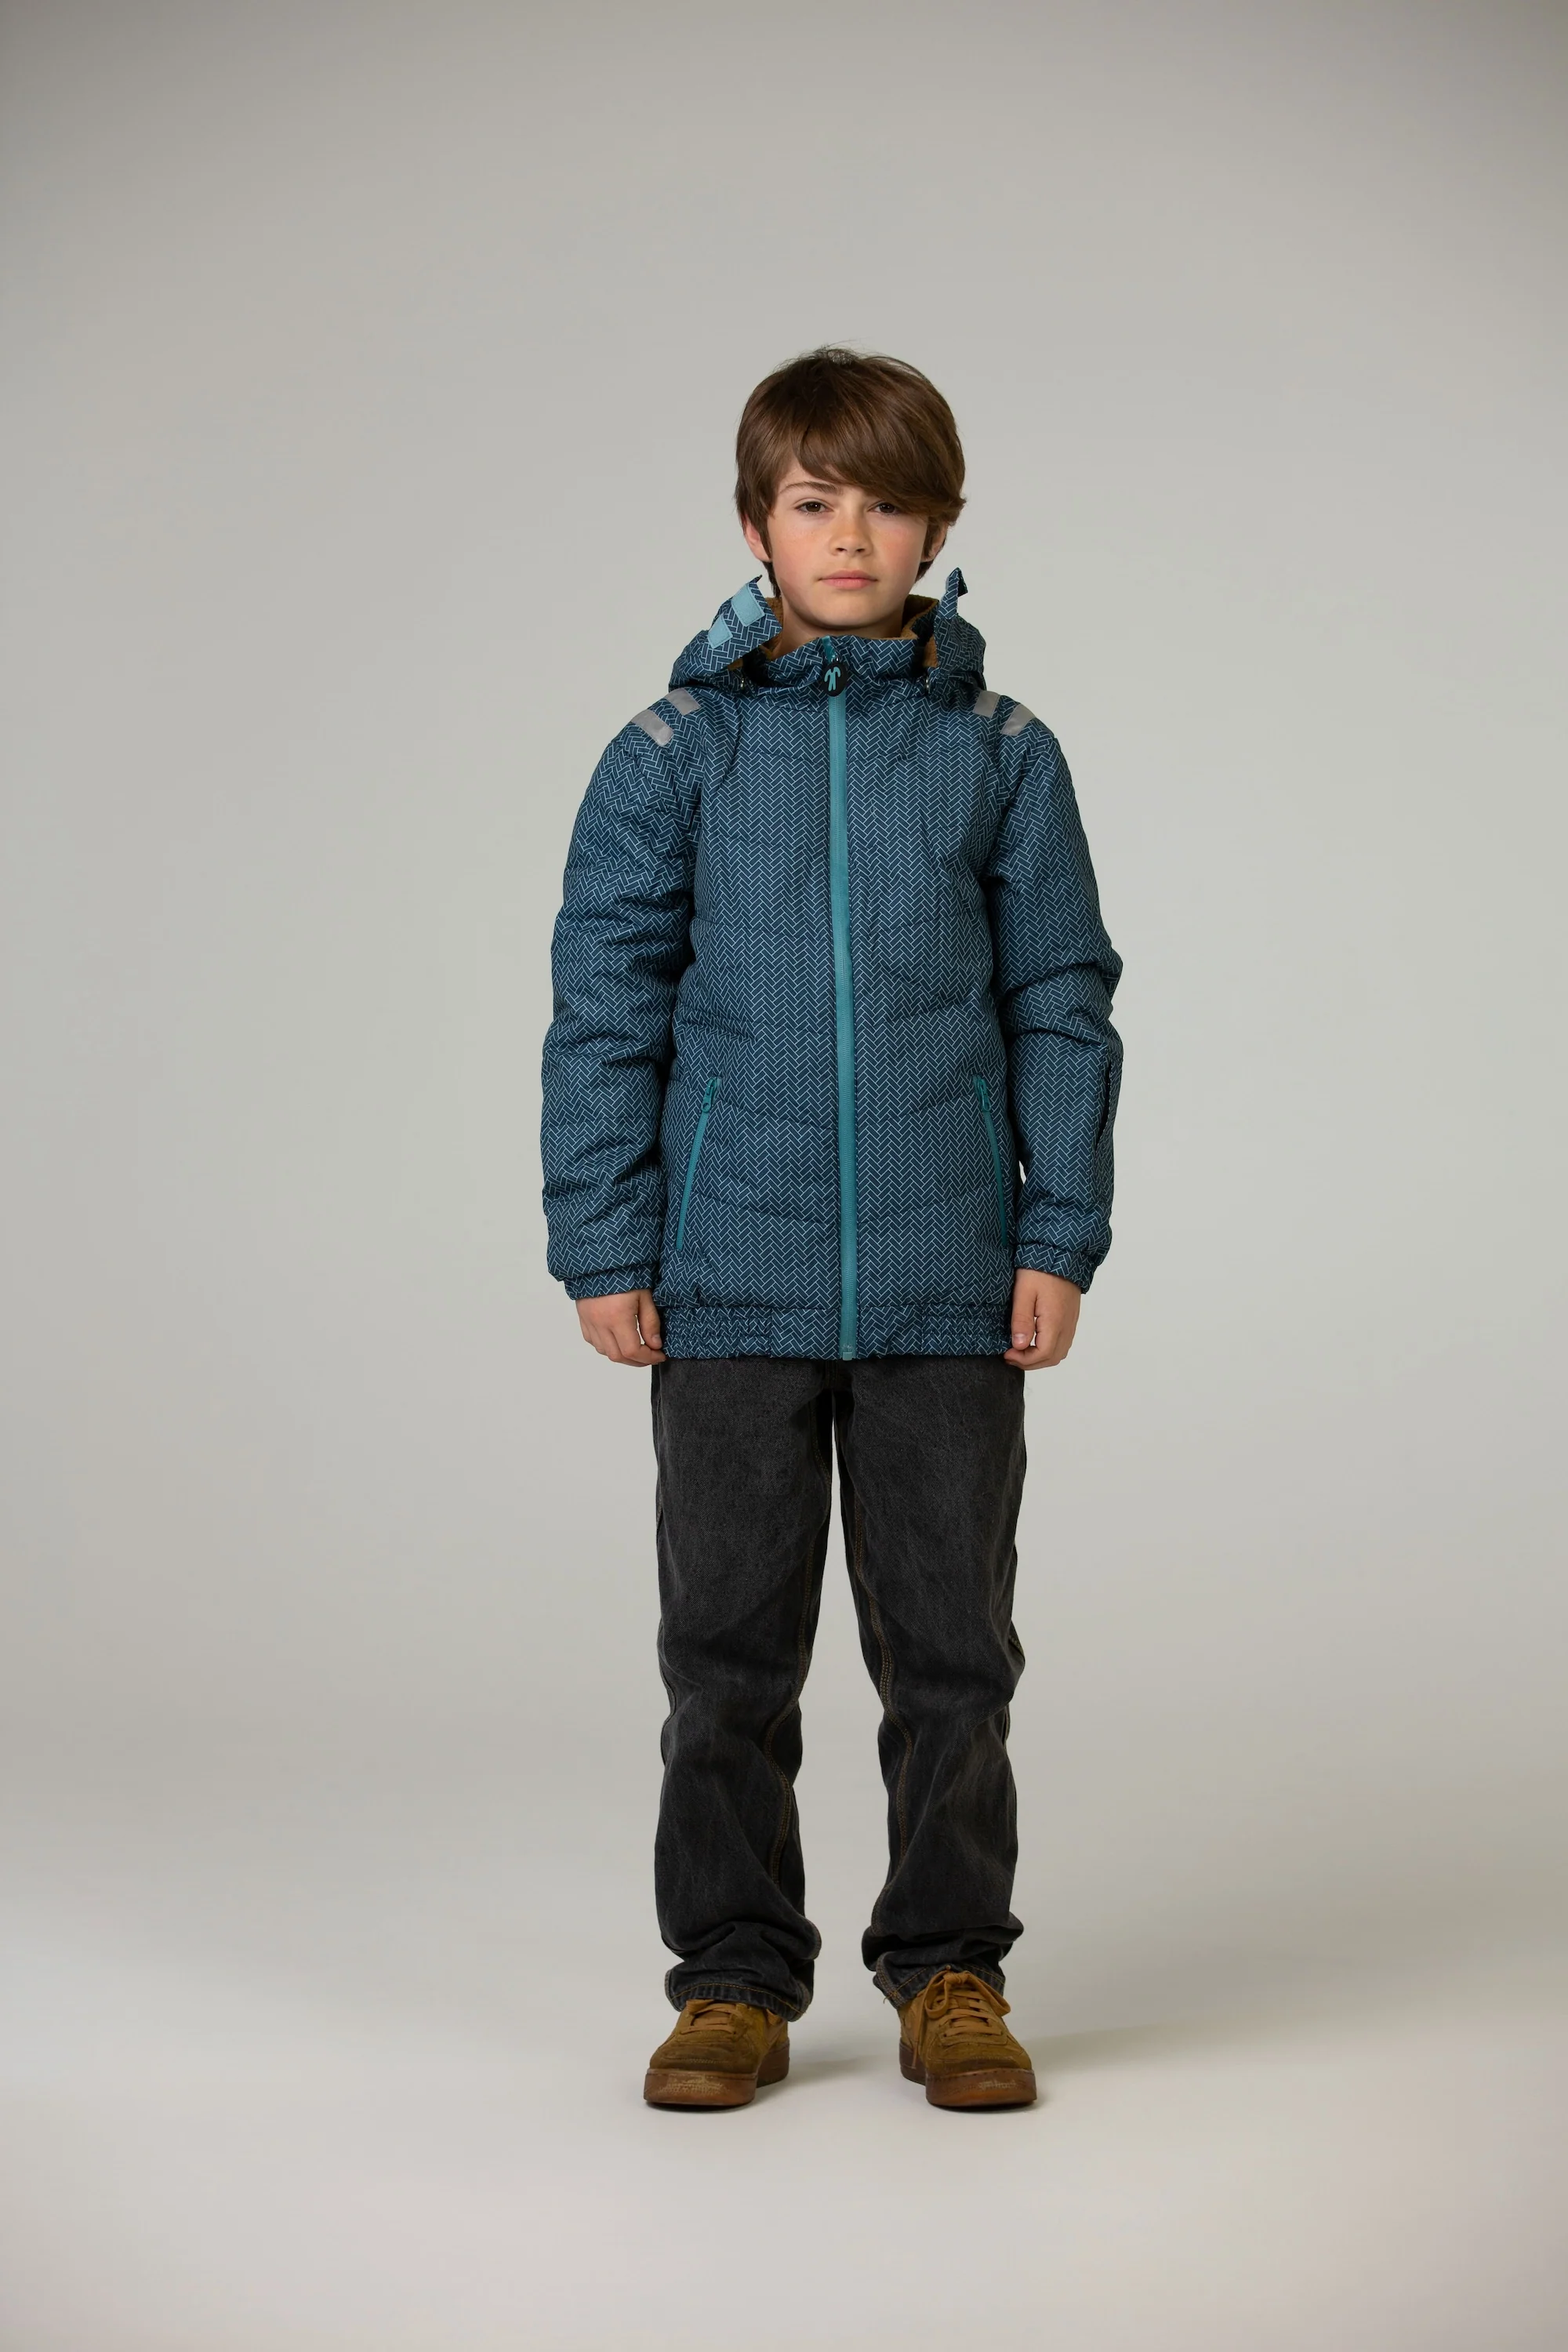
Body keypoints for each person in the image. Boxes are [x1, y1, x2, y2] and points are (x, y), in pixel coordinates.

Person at [540, 347, 1123, 2111]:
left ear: (938, 528)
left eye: (886, 503)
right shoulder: (674, 755)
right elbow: (604, 1013)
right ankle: (731, 1979)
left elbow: (1062, 1004)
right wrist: (606, 1245)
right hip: (729, 1276)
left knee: (952, 1657)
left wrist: (1057, 1232)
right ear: (756, 526)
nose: (850, 534)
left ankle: (951, 1970)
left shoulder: (1002, 756)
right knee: (725, 1659)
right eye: (815, 502)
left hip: (953, 1280)